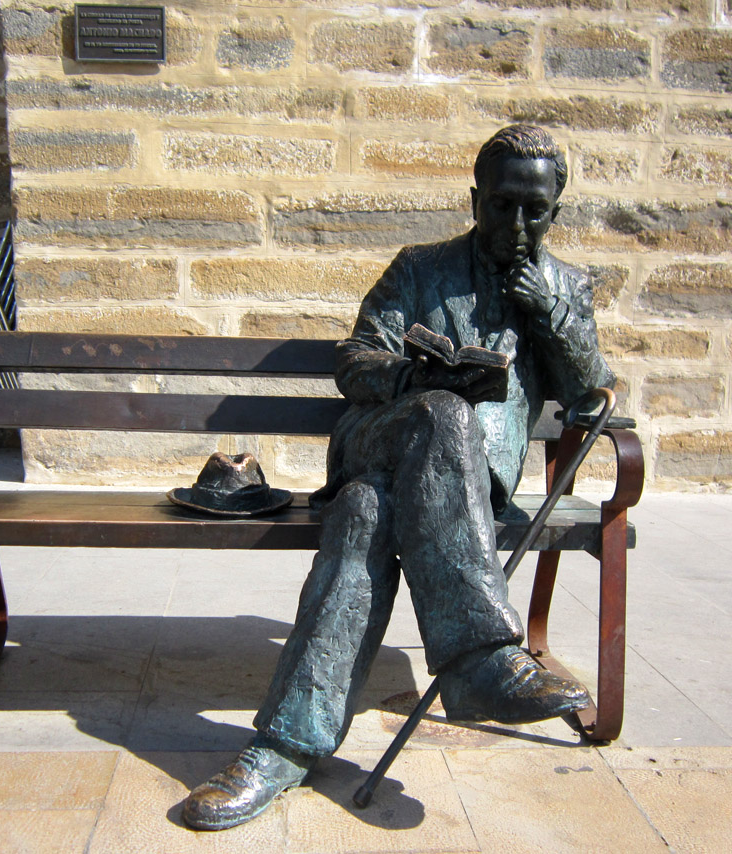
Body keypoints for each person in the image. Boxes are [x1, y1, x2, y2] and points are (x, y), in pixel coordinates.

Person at [182, 124, 616, 831]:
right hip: (382, 439)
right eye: (502, 204)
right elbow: (355, 359)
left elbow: (593, 393)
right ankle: (480, 656)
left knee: (363, 515)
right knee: (439, 412)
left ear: (555, 212)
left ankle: (282, 747)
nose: (516, 222)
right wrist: (413, 376)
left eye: (534, 210)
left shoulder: (568, 288)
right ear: (475, 199)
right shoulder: (419, 267)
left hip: (467, 487)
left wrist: (548, 314)